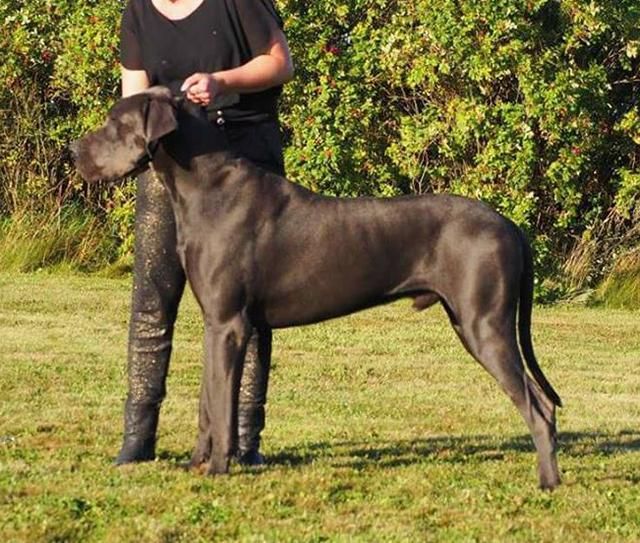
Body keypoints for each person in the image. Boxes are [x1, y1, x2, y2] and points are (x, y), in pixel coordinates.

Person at [115, 0, 294, 466]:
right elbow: (134, 101)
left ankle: (243, 440)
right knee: (152, 298)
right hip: (172, 169)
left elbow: (280, 63)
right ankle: (138, 438)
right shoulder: (138, 12)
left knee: (247, 307)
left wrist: (221, 82)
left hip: (244, 162)